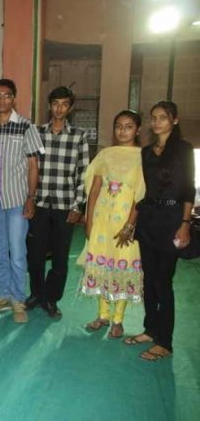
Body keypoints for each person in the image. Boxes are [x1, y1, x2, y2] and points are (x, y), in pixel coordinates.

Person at [125, 101, 195, 361]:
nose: (156, 122)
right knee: (148, 279)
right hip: (149, 219)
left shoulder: (183, 149)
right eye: (153, 118)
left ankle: (165, 342)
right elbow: (146, 190)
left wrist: (185, 224)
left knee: (163, 282)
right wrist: (134, 220)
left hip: (173, 219)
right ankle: (150, 330)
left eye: (162, 117)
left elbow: (188, 188)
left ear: (174, 120)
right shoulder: (146, 152)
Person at [80, 110, 145, 339]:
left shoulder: (143, 157)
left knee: (122, 268)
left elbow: (140, 195)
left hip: (126, 223)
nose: (122, 131)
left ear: (137, 129)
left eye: (128, 126)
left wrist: (130, 225)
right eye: (118, 126)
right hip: (102, 222)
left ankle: (118, 320)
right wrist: (89, 221)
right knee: (103, 265)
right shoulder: (105, 155)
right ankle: (102, 315)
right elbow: (95, 190)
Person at [0, 79, 44, 324]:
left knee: (18, 252)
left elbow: (33, 165)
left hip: (18, 200)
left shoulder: (27, 126)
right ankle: (3, 295)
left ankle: (18, 298)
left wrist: (31, 197)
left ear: (14, 99)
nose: (2, 100)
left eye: (7, 95)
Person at [27, 86, 89, 319]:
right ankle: (36, 294)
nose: (59, 108)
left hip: (65, 205)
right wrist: (29, 199)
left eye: (64, 104)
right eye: (55, 104)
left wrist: (78, 206)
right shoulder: (36, 133)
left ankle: (51, 299)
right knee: (35, 254)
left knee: (60, 257)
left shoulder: (79, 136)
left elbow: (83, 173)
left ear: (70, 108)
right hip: (40, 204)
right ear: (49, 106)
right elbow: (28, 169)